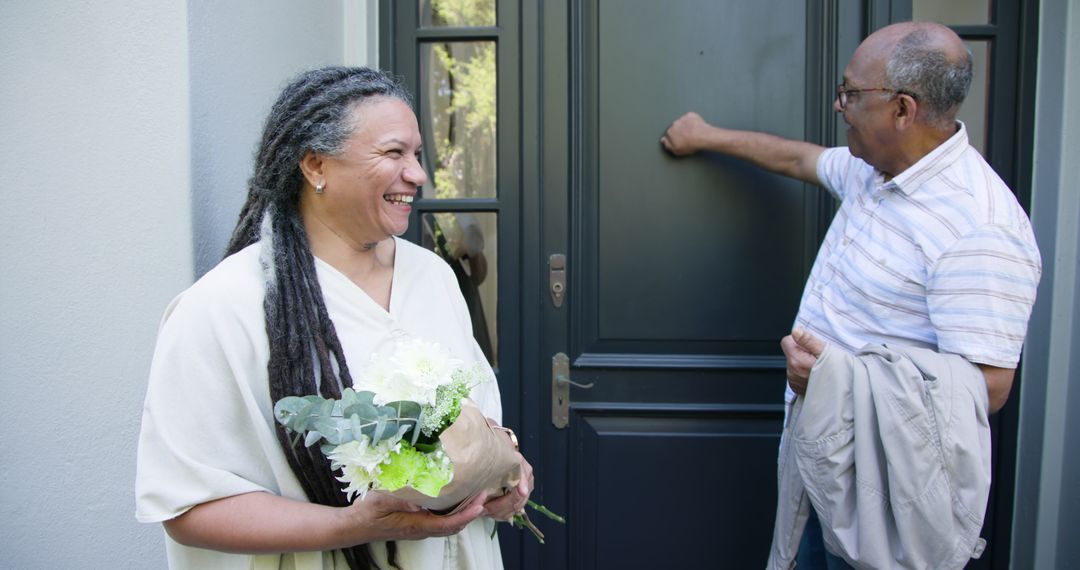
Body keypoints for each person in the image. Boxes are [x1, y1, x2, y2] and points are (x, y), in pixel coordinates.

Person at [661, 21, 1040, 568]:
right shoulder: (878, 171)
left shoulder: (979, 227)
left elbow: (988, 387)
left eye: (850, 93)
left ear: (902, 110)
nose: (840, 106)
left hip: (882, 489)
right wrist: (705, 136)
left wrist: (834, 378)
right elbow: (798, 159)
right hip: (826, 454)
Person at [135, 66, 533, 569]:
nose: (417, 174)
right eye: (394, 153)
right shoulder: (222, 308)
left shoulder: (433, 276)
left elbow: (477, 418)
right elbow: (188, 506)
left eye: (416, 154)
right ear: (315, 166)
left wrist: (507, 466)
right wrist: (355, 526)